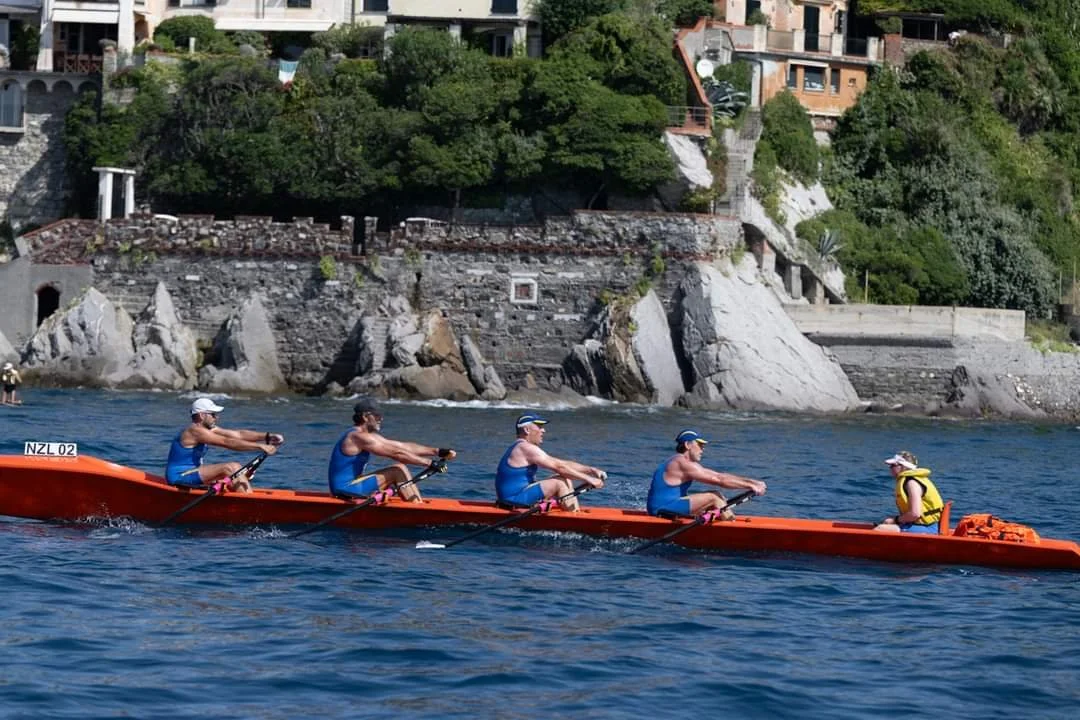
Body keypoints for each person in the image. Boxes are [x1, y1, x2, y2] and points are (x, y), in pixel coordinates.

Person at [328, 397, 455, 503]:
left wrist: (437, 451)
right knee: (398, 470)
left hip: (353, 485)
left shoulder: (367, 436)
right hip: (345, 489)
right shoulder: (357, 437)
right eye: (377, 415)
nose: (381, 419)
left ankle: (417, 504)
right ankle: (418, 508)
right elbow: (396, 454)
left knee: (399, 468)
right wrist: (430, 463)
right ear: (365, 417)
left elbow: (402, 447)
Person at [165, 397, 283, 493]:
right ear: (202, 415)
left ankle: (244, 499)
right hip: (179, 476)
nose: (217, 417)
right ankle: (253, 505)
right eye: (213, 414)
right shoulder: (194, 431)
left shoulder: (208, 430)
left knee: (238, 472)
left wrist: (267, 437)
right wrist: (260, 447)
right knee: (231, 468)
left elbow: (238, 435)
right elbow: (227, 442)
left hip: (194, 472)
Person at [494, 414, 606, 512]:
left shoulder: (521, 446)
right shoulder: (525, 448)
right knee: (559, 483)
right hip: (512, 500)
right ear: (527, 430)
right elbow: (559, 467)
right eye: (539, 426)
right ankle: (575, 519)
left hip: (520, 494)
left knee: (564, 477)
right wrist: (589, 479)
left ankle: (573, 511)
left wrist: (591, 470)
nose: (543, 430)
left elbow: (562, 464)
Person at [647, 430, 767, 518]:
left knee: (717, 496)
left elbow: (719, 475)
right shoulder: (680, 462)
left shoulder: (682, 462)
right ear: (688, 445)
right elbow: (719, 480)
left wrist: (753, 482)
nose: (702, 449)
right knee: (713, 497)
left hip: (669, 505)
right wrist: (751, 486)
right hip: (661, 509)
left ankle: (726, 522)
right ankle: (733, 528)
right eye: (699, 445)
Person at [874, 451, 945, 534]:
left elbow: (915, 514)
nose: (890, 468)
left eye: (893, 465)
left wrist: (895, 520)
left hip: (929, 528)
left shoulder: (911, 483)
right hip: (923, 525)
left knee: (879, 529)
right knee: (884, 525)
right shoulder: (912, 480)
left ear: (903, 467)